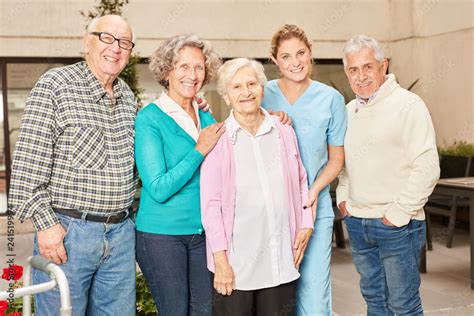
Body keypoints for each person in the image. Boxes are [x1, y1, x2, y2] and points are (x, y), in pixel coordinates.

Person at [8, 15, 138, 315]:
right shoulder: (56, 85)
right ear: (86, 42)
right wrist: (46, 226)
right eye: (107, 38)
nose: (115, 49)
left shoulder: (128, 97)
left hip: (120, 235)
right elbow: (27, 168)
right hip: (69, 234)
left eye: (124, 43)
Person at [200, 58, 314, 316]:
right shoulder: (218, 141)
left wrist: (306, 222)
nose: (246, 92)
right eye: (236, 87)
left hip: (279, 259)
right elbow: (211, 207)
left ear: (262, 89)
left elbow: (300, 181)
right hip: (235, 263)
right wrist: (220, 260)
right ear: (226, 96)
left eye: (252, 84)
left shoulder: (283, 131)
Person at [336, 34, 440, 316]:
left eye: (368, 67)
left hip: (397, 227)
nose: (361, 76)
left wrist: (397, 213)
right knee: (375, 303)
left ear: (383, 66)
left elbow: (427, 166)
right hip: (358, 224)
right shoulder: (349, 111)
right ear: (347, 72)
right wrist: (344, 200)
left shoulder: (408, 105)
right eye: (353, 69)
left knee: (403, 307)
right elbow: (345, 166)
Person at [134, 34, 224, 316]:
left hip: (202, 234)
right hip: (162, 236)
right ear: (167, 70)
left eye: (199, 67)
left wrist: (272, 118)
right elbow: (158, 188)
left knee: (205, 311)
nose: (192, 74)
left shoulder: (206, 116)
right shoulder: (150, 118)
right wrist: (199, 150)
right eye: (183, 66)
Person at [261, 24, 347, 315]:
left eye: (300, 53)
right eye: (286, 56)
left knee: (313, 290)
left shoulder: (331, 100)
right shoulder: (261, 95)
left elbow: (336, 159)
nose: (294, 62)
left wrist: (313, 190)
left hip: (314, 207)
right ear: (275, 61)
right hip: (271, 210)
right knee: (275, 291)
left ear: (311, 54)